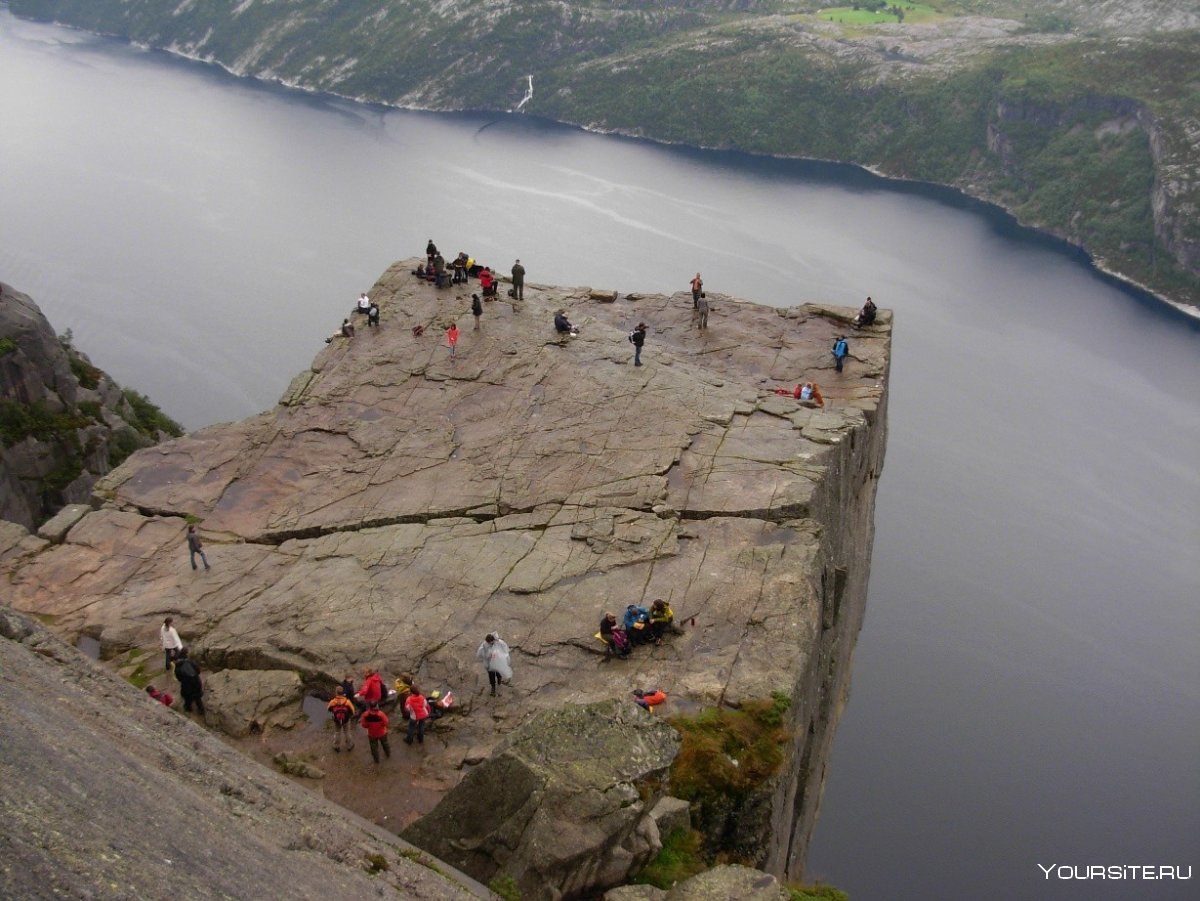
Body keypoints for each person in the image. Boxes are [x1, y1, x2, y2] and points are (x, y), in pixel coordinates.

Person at [173, 648, 204, 714]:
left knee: (187, 698)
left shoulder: (177, 666)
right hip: (196, 681)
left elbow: (179, 678)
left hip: (186, 684)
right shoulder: (191, 662)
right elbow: (198, 671)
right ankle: (201, 710)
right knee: (197, 697)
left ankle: (188, 708)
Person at [327, 687, 356, 752]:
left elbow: (328, 709)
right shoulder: (347, 702)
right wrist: (349, 715)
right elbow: (353, 711)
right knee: (347, 732)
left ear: (336, 693)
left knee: (337, 732)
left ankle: (336, 746)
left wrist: (334, 711)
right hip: (346, 720)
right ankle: (349, 746)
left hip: (337, 720)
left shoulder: (333, 702)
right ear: (343, 693)